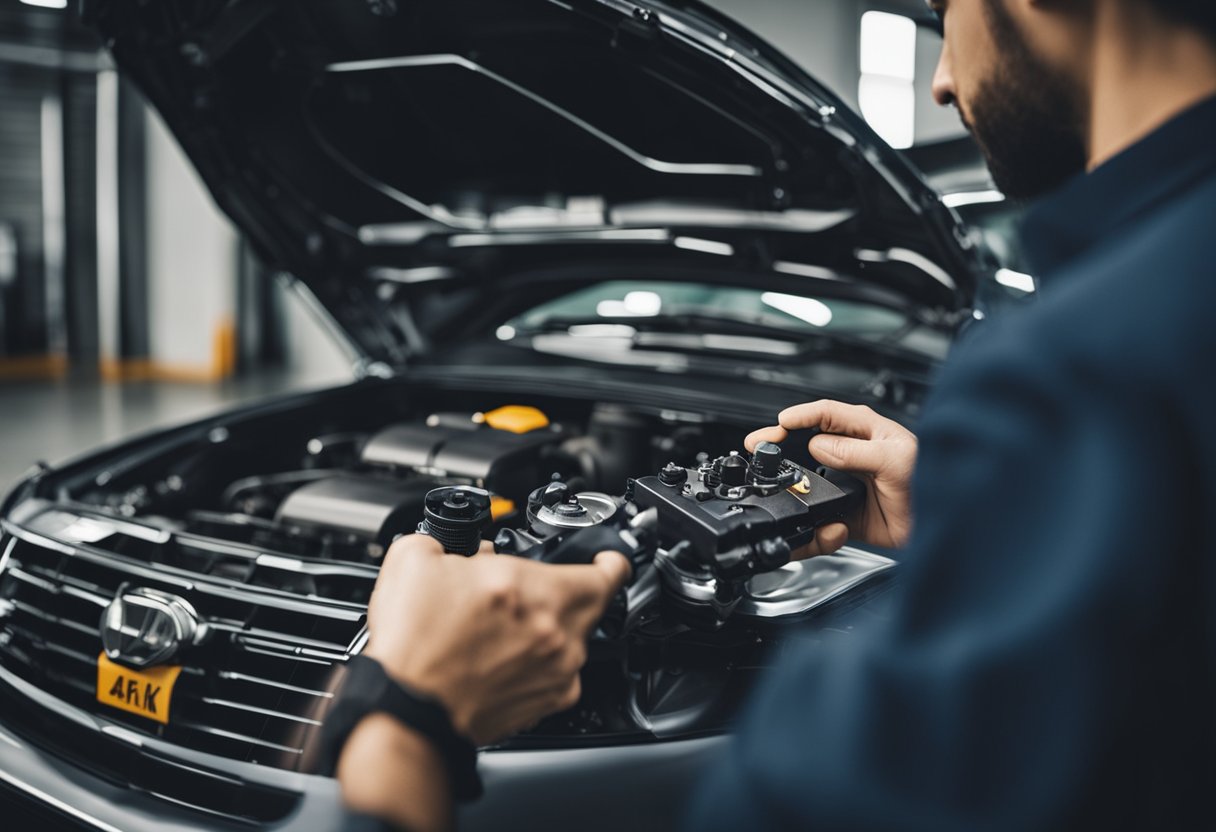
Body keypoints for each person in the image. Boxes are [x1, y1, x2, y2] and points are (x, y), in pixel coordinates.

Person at [332, 0, 1216, 828]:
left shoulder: (1084, 365)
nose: (943, 80)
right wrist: (972, 519)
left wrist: (409, 712)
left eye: (946, 14)